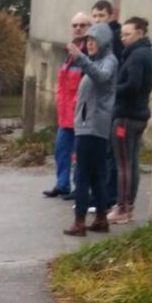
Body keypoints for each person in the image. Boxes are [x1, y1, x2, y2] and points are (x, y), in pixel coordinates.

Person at [63, 22, 117, 237]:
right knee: (95, 176)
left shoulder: (108, 61)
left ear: (103, 41)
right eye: (88, 41)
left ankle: (79, 223)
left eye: (93, 40)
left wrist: (81, 58)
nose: (90, 44)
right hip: (90, 126)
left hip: (92, 127)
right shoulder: (97, 62)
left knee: (83, 175)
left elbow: (102, 77)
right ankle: (101, 218)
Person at [107, 17, 152, 225]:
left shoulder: (137, 56)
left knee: (124, 164)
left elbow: (132, 86)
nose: (123, 38)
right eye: (122, 34)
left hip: (127, 116)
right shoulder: (148, 54)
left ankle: (123, 207)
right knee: (132, 162)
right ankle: (128, 206)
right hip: (139, 114)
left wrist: (111, 90)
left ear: (140, 33)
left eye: (127, 34)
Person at [43, 12, 90, 198]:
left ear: (89, 28)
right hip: (65, 115)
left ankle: (79, 189)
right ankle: (62, 184)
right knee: (61, 151)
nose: (78, 28)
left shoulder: (87, 53)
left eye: (82, 25)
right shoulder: (69, 52)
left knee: (78, 156)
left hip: (79, 115)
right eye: (75, 25)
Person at [90, 0, 123, 210]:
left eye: (101, 16)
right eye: (95, 16)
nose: (97, 20)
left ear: (110, 17)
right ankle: (98, 195)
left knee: (110, 154)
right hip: (96, 107)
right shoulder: (94, 42)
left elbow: (105, 76)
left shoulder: (114, 44)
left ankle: (109, 197)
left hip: (112, 107)